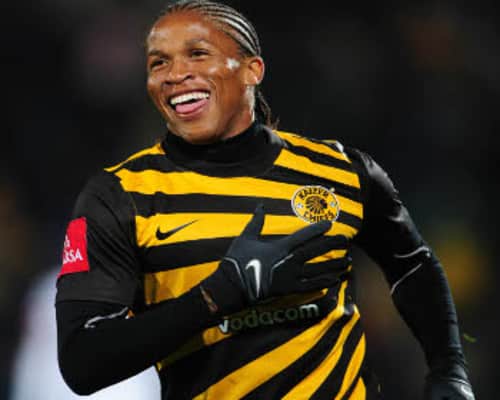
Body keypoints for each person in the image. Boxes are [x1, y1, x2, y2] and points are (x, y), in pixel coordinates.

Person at [55, 1, 476, 399]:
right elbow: (81, 362)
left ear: (252, 70)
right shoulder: (120, 195)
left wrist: (448, 368)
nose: (175, 74)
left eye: (197, 54)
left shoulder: (342, 171)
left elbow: (412, 265)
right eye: (158, 62)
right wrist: (218, 295)